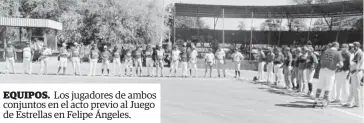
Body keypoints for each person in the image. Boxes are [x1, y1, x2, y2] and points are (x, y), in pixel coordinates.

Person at [314, 42, 343, 106]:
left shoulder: (325, 51)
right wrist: (337, 65)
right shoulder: (337, 53)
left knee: (320, 85)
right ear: (337, 46)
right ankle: (324, 101)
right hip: (330, 71)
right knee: (328, 87)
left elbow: (321, 61)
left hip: (322, 70)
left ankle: (316, 100)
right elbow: (341, 65)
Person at [344, 42, 363, 108]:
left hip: (357, 72)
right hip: (354, 72)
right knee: (352, 88)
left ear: (357, 46)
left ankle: (357, 103)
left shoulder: (359, 53)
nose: (351, 48)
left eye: (353, 46)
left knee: (356, 88)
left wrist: (352, 70)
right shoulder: (356, 53)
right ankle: (349, 102)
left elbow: (354, 63)